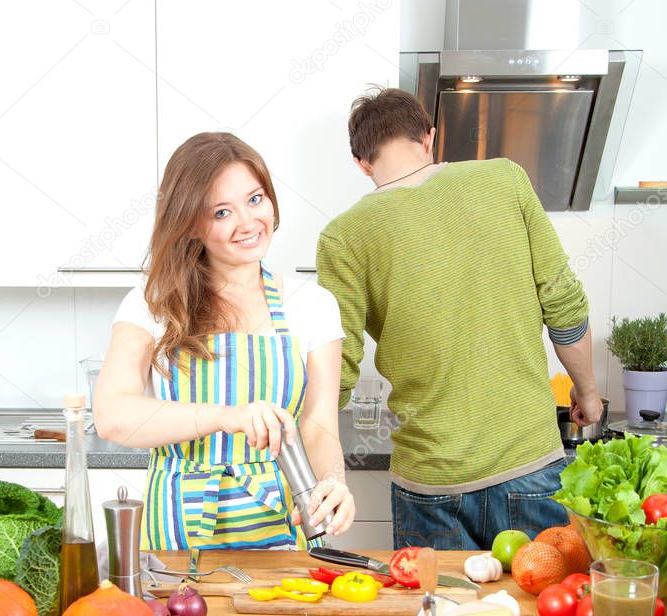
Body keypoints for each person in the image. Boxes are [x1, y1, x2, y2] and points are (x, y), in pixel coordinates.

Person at [316, 88, 603, 550]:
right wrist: (587, 392)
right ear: (429, 138)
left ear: (362, 164)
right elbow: (563, 303)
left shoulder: (343, 236)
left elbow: (336, 371)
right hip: (528, 466)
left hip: (429, 486)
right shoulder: (506, 179)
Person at [95, 132, 354, 550]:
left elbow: (319, 425)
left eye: (255, 199)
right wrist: (225, 416)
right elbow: (112, 415)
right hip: (176, 538)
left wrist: (332, 484)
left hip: (279, 532)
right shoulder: (154, 304)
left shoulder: (312, 304)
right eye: (221, 212)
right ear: (191, 225)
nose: (249, 223)